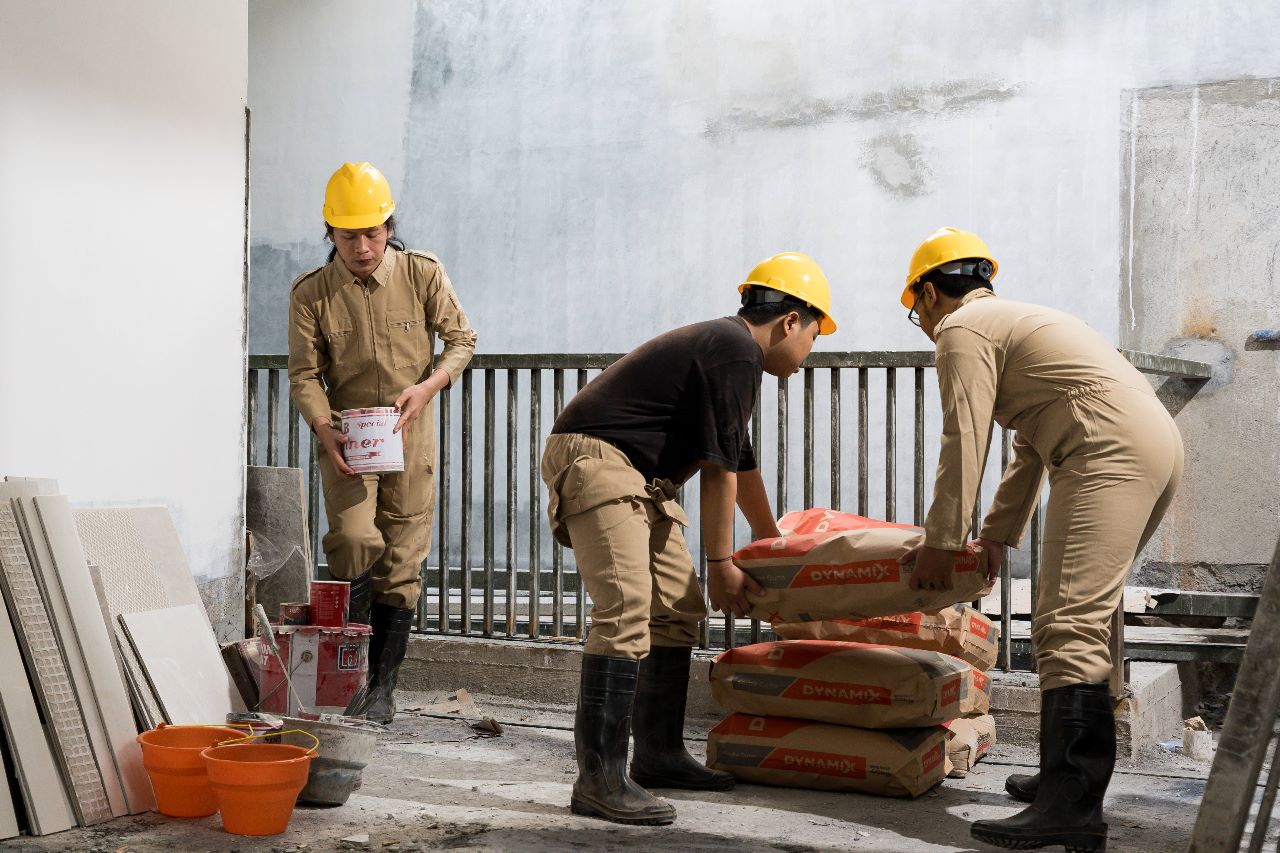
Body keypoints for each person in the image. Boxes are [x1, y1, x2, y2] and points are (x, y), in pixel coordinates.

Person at [899, 227, 1182, 852]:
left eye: (913, 307)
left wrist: (943, 541)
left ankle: (1071, 808)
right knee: (1091, 615)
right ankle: (1065, 782)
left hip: (1105, 449)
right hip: (1147, 442)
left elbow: (964, 436)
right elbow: (1026, 446)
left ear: (928, 291)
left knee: (1067, 625)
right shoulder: (1016, 323)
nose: (917, 320)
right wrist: (997, 535)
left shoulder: (962, 330)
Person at [540, 253, 837, 825]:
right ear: (791, 321)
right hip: (600, 461)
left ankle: (659, 754)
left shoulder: (730, 351)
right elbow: (719, 471)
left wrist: (771, 540)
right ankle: (599, 780)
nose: (807, 356)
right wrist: (722, 561)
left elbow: (737, 459)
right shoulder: (737, 348)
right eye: (815, 336)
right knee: (626, 609)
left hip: (642, 478)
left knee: (678, 606)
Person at [288, 162, 477, 724]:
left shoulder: (421, 274)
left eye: (373, 232)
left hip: (409, 436)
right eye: (349, 236)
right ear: (330, 234)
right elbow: (304, 375)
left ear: (389, 227)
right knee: (350, 539)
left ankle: (381, 690)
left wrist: (427, 387)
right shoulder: (311, 294)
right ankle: (353, 671)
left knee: (401, 560)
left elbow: (461, 339)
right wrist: (325, 428)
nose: (363, 246)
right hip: (348, 438)